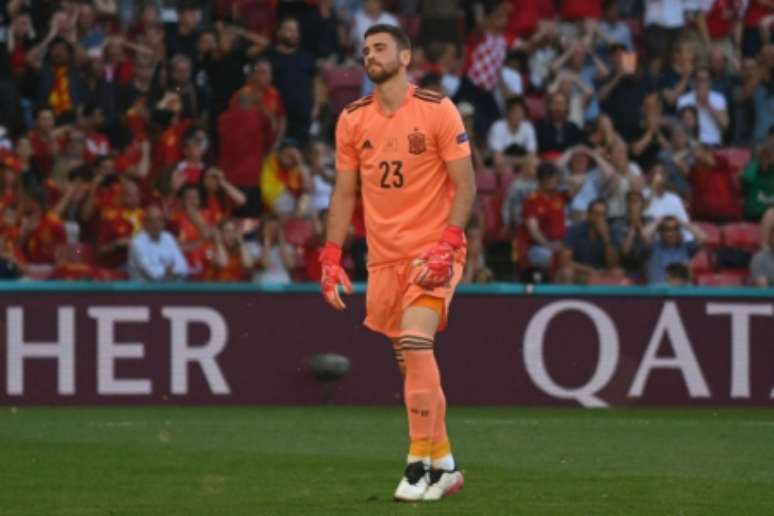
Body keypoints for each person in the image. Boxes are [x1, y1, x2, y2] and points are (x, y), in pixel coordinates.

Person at [319, 24, 474, 501]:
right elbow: (345, 194)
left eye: (380, 48)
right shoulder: (352, 119)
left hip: (433, 250)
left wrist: (449, 242)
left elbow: (465, 184)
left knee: (414, 340)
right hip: (384, 258)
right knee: (410, 363)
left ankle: (417, 463)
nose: (370, 55)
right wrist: (330, 256)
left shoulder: (436, 109)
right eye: (366, 50)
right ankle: (445, 462)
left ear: (405, 57)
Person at [128, 204, 188, 281]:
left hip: (168, 288)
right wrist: (168, 272)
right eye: (151, 221)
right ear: (145, 223)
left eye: (159, 220)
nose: (156, 225)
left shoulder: (168, 238)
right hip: (141, 290)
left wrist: (169, 272)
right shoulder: (137, 242)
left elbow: (183, 267)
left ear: (163, 223)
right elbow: (151, 273)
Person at [642, 215, 707, 284]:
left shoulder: (685, 247)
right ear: (661, 232)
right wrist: (660, 220)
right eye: (667, 229)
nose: (672, 233)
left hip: (681, 292)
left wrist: (681, 222)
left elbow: (703, 238)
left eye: (675, 229)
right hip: (657, 292)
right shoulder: (653, 248)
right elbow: (644, 235)